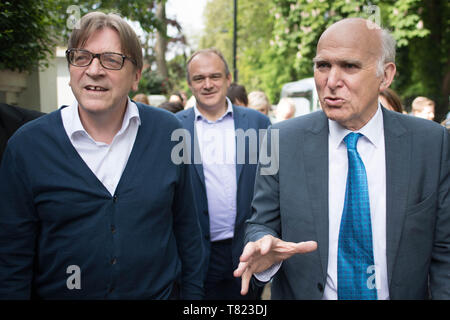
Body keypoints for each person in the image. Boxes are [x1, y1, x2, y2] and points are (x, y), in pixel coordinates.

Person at [234, 18, 449, 300]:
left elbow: (444, 251)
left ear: (385, 75)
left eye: (349, 66)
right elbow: (261, 222)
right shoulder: (281, 140)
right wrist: (262, 245)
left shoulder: (431, 143)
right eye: (323, 65)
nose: (331, 81)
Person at [0, 11, 204, 300]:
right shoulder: (27, 147)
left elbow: (189, 234)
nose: (94, 70)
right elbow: (12, 259)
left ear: (136, 76)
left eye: (111, 59)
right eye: (82, 56)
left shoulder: (170, 134)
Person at [176, 48, 271, 299]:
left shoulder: (258, 124)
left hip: (246, 251)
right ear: (189, 84)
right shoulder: (174, 127)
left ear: (228, 79)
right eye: (199, 78)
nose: (207, 84)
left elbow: (274, 186)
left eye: (215, 76)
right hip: (194, 256)